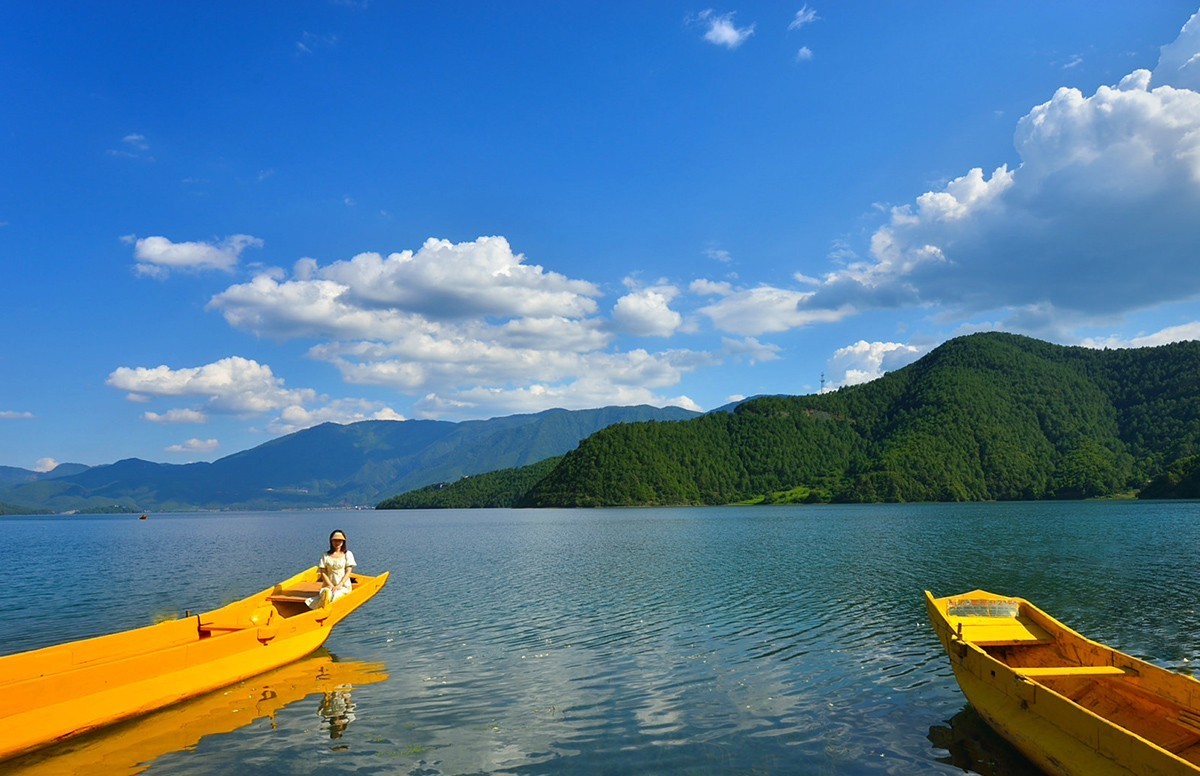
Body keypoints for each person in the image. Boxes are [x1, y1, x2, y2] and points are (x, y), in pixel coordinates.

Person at [306, 530, 357, 609]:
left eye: (339, 540)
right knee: (327, 593)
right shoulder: (326, 555)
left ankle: (324, 610)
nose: (337, 543)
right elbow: (323, 573)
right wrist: (331, 585)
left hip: (343, 585)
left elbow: (348, 571)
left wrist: (339, 585)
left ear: (343, 542)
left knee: (335, 594)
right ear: (331, 541)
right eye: (335, 540)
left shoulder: (347, 554)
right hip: (329, 584)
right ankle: (320, 610)